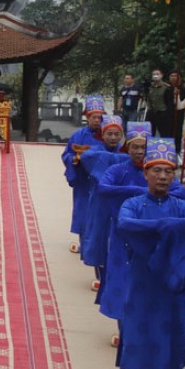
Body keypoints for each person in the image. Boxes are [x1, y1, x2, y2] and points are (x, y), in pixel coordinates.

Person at [116, 137, 185, 369]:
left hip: (172, 289)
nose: (163, 176)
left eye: (169, 171)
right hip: (142, 287)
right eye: (156, 170)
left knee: (171, 346)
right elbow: (125, 225)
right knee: (140, 346)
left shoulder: (181, 206)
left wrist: (160, 229)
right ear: (145, 173)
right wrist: (169, 229)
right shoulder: (133, 205)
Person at [96, 123, 185, 341]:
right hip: (124, 241)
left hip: (160, 246)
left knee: (157, 290)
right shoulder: (118, 171)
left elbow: (182, 199)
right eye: (134, 147)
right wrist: (138, 191)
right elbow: (104, 189)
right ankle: (125, 331)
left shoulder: (175, 190)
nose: (162, 177)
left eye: (167, 171)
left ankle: (152, 333)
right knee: (124, 284)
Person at [77, 115, 128, 290]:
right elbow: (88, 160)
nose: (113, 138)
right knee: (99, 235)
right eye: (109, 134)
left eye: (117, 134)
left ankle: (115, 276)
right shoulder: (93, 153)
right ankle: (100, 276)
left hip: (122, 203)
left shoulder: (125, 153)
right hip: (100, 202)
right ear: (103, 135)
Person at [61, 94, 107, 253]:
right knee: (83, 211)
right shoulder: (78, 135)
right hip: (83, 180)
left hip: (101, 181)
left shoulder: (108, 135)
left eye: (99, 117)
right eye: (93, 117)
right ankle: (83, 243)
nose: (96, 120)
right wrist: (74, 159)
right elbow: (66, 154)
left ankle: (97, 244)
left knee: (100, 213)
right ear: (87, 117)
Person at [162, 71, 185, 154]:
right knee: (168, 131)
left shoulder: (183, 89)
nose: (173, 78)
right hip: (169, 113)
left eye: (175, 76)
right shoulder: (168, 89)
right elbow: (165, 100)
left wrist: (178, 95)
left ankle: (177, 149)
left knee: (178, 131)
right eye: (171, 76)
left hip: (179, 114)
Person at [146, 70, 168, 136]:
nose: (155, 76)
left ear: (161, 75)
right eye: (154, 74)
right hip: (152, 112)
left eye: (157, 74)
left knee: (163, 133)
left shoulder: (166, 87)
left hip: (162, 113)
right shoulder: (150, 87)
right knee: (149, 133)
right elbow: (148, 99)